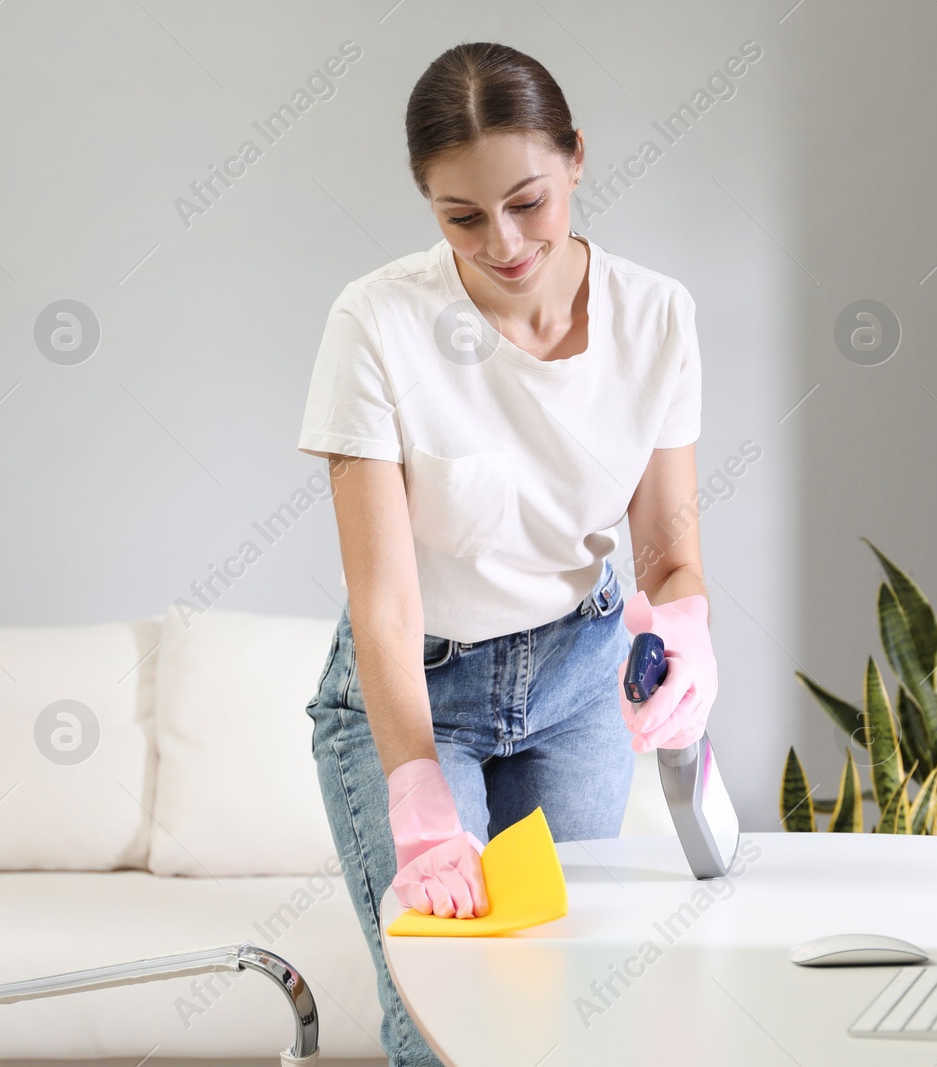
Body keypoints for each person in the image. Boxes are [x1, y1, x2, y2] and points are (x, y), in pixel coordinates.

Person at [297, 41, 719, 1066]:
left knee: (557, 1011)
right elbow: (386, 603)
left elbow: (666, 547)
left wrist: (690, 621)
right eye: (462, 217)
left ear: (574, 157)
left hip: (577, 685)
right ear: (426, 202)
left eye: (528, 201)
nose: (503, 242)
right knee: (446, 1024)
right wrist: (415, 789)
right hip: (416, 694)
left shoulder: (655, 317)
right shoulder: (377, 323)